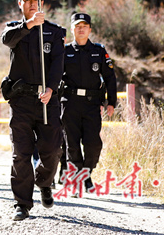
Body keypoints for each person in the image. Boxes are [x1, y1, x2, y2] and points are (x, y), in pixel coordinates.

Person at [1, 0, 66, 221]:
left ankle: (44, 182)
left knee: (52, 149)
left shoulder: (55, 32)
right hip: (21, 101)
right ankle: (22, 204)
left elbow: (58, 64)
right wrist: (29, 25)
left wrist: (51, 88)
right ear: (20, 4)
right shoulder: (14, 29)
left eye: (35, 0)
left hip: (48, 99)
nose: (31, 4)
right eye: (27, 1)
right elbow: (7, 40)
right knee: (21, 152)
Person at [59, 12, 117, 194]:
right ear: (72, 29)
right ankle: (78, 181)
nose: (81, 29)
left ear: (90, 29)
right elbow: (53, 76)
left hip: (92, 103)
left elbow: (110, 77)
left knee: (93, 144)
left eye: (84, 26)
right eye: (77, 26)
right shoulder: (64, 51)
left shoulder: (99, 51)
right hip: (69, 103)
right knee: (72, 144)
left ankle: (86, 174)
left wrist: (111, 102)